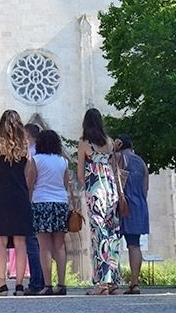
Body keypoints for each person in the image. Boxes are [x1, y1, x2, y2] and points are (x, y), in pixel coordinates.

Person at [0, 110, 35, 296]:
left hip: (1, 195)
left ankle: (2, 285)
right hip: (20, 196)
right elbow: (27, 173)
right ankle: (20, 285)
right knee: (21, 242)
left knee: (0, 242)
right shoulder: (25, 147)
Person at [77, 108, 121, 295]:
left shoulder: (85, 144)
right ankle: (113, 280)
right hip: (111, 190)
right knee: (112, 235)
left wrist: (89, 183)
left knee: (99, 235)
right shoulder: (110, 142)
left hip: (95, 190)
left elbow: (80, 173)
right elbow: (114, 167)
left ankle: (102, 283)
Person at [30, 129, 70, 295]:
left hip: (41, 202)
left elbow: (30, 182)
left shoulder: (36, 160)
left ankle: (48, 285)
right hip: (60, 202)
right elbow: (66, 184)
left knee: (44, 246)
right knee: (59, 246)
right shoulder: (63, 161)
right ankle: (61, 284)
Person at [115, 134, 149, 295]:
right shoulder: (141, 162)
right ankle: (134, 283)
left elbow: (115, 180)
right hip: (139, 205)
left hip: (122, 204)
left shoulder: (119, 157)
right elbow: (145, 187)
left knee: (112, 244)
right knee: (134, 244)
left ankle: (111, 282)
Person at [21, 123, 45, 296]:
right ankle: (48, 282)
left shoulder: (32, 155)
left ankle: (36, 282)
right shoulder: (51, 155)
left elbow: (28, 180)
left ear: (28, 136)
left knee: (31, 243)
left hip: (34, 201)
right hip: (53, 201)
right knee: (48, 245)